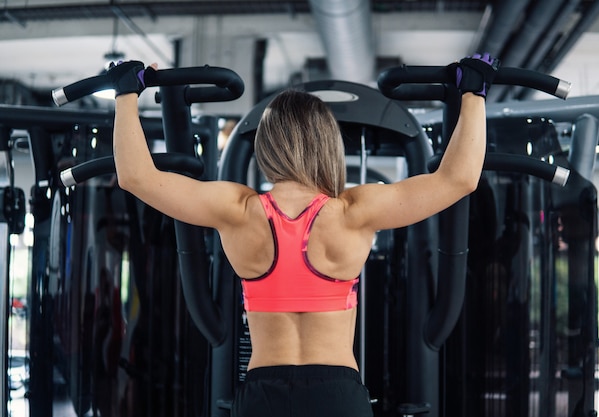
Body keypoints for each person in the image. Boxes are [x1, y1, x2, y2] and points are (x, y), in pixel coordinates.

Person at [108, 53, 499, 417]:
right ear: (326, 145)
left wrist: (126, 93)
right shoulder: (352, 213)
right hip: (337, 395)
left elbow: (136, 177)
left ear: (266, 145)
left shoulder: (238, 211)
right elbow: (458, 179)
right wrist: (473, 92)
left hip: (262, 394)